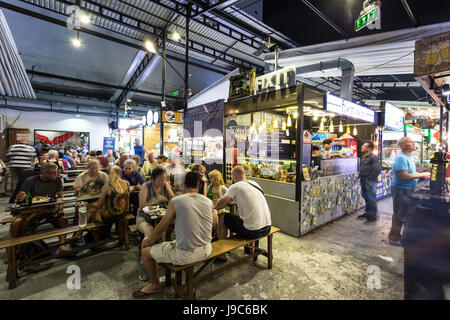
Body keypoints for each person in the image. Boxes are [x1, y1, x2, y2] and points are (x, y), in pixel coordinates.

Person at [133, 172, 214, 298]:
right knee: (171, 242)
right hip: (207, 249)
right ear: (199, 185)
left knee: (145, 252)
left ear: (184, 185)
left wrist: (149, 241)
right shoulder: (208, 201)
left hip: (185, 255)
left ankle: (155, 285)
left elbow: (161, 228)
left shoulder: (177, 200)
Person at [12, 162, 68, 254]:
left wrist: (60, 209)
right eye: (53, 173)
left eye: (56, 172)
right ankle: (16, 250)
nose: (56, 174)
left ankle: (62, 246)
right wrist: (19, 198)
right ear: (44, 173)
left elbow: (60, 197)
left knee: (63, 219)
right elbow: (18, 199)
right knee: (17, 223)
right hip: (33, 209)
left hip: (49, 208)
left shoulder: (57, 180)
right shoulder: (31, 181)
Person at [388, 136, 430, 246]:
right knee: (399, 214)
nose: (414, 144)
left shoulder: (408, 157)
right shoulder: (401, 158)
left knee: (399, 213)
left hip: (406, 189)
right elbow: (404, 176)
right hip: (401, 189)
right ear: (404, 146)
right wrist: (423, 174)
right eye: (411, 142)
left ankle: (393, 234)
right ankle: (395, 239)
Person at [136, 167, 174, 281]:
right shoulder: (146, 186)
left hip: (161, 217)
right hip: (144, 217)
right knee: (150, 234)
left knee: (164, 233)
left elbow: (173, 199)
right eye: (160, 179)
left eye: (165, 179)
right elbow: (142, 206)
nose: (163, 182)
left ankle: (160, 258)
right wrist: (155, 200)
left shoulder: (165, 185)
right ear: (153, 178)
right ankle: (144, 264)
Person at [215, 166, 271, 240]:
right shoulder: (255, 183)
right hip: (267, 227)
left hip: (252, 231)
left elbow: (219, 206)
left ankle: (221, 246)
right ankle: (250, 249)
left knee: (222, 217)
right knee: (243, 218)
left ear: (234, 176)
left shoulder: (236, 186)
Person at [88, 165, 130, 243]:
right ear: (120, 173)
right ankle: (120, 237)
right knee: (95, 210)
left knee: (92, 212)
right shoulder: (127, 183)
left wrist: (91, 205)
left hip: (111, 215)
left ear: (109, 174)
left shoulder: (107, 186)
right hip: (124, 212)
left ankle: (95, 241)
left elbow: (99, 205)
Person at [71, 159, 108, 241]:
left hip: (97, 199)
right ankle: (92, 239)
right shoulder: (81, 176)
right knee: (80, 207)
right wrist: (77, 190)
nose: (94, 171)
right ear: (88, 168)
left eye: (96, 169)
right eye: (92, 169)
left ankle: (79, 233)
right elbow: (76, 194)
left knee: (90, 210)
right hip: (84, 199)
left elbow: (107, 189)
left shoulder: (103, 175)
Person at [358, 141, 381, 222]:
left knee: (371, 197)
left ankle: (372, 215)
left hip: (370, 180)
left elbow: (377, 169)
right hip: (363, 179)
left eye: (364, 146)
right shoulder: (364, 156)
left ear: (369, 148)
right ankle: (368, 213)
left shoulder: (373, 157)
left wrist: (370, 178)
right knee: (366, 196)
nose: (362, 147)